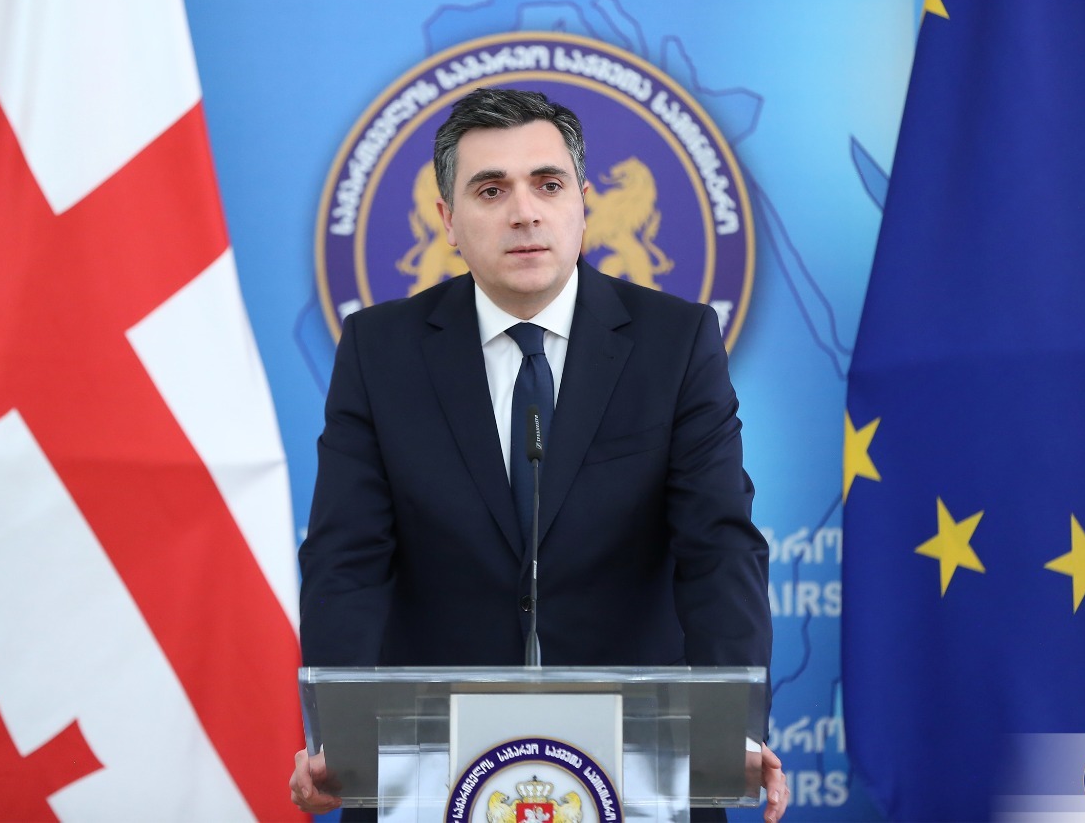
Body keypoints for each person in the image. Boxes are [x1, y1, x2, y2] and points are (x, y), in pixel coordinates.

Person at [289, 87, 789, 821]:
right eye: (491, 190)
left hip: (636, 758)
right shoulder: (380, 350)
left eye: (548, 185)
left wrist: (729, 731)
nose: (524, 212)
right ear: (448, 221)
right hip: (430, 764)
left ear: (583, 203)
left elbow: (718, 546)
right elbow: (347, 558)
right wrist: (342, 735)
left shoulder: (674, 343)